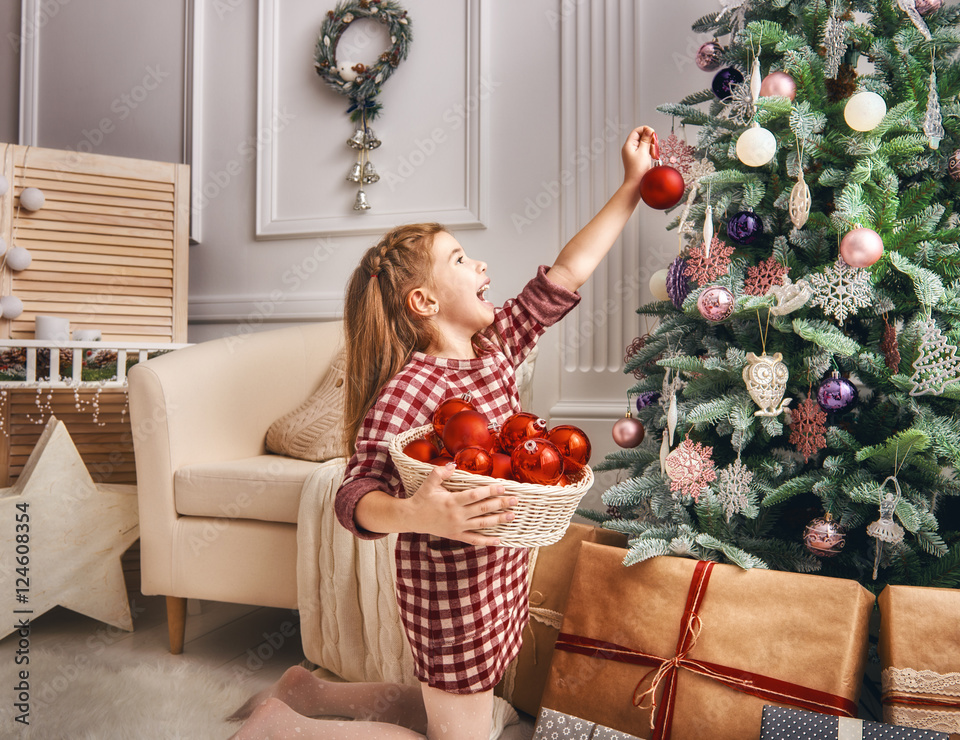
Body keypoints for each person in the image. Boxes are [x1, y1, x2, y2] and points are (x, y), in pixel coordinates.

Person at [227, 125, 656, 740]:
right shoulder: (408, 392)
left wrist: (631, 187)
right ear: (425, 302)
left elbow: (566, 272)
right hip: (451, 598)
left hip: (504, 576)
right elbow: (354, 498)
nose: (481, 264)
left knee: (467, 708)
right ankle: (278, 728)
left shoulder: (497, 348)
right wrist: (417, 515)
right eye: (460, 258)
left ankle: (309, 692)